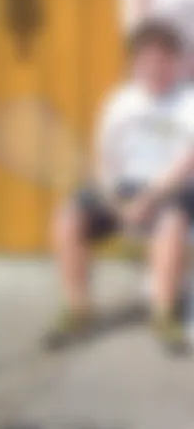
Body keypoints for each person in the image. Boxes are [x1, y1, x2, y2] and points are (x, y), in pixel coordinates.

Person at [46, 21, 194, 354]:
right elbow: (104, 161)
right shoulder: (120, 103)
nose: (155, 67)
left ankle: (164, 314)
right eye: (147, 59)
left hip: (172, 189)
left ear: (176, 62)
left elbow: (187, 162)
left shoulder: (188, 102)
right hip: (123, 189)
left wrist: (147, 201)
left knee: (172, 223)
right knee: (68, 216)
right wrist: (114, 202)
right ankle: (78, 308)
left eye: (163, 59)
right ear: (135, 62)